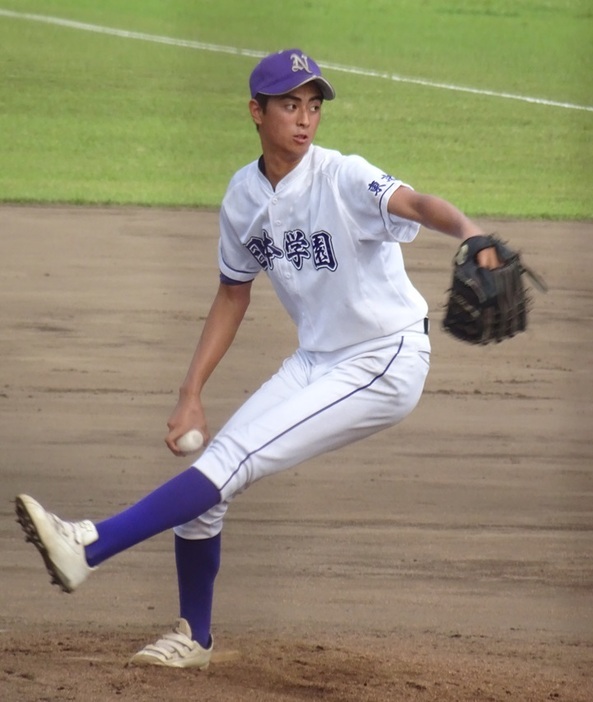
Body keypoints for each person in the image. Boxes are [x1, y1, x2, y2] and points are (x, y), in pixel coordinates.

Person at [15, 48, 500, 669]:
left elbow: (417, 203)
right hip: (316, 360)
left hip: (385, 357)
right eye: (291, 105)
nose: (305, 119)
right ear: (257, 111)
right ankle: (195, 638)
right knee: (212, 486)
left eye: (314, 106)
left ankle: (88, 545)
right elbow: (231, 292)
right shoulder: (243, 196)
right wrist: (191, 390)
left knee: (233, 460)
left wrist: (470, 233)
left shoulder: (342, 176)